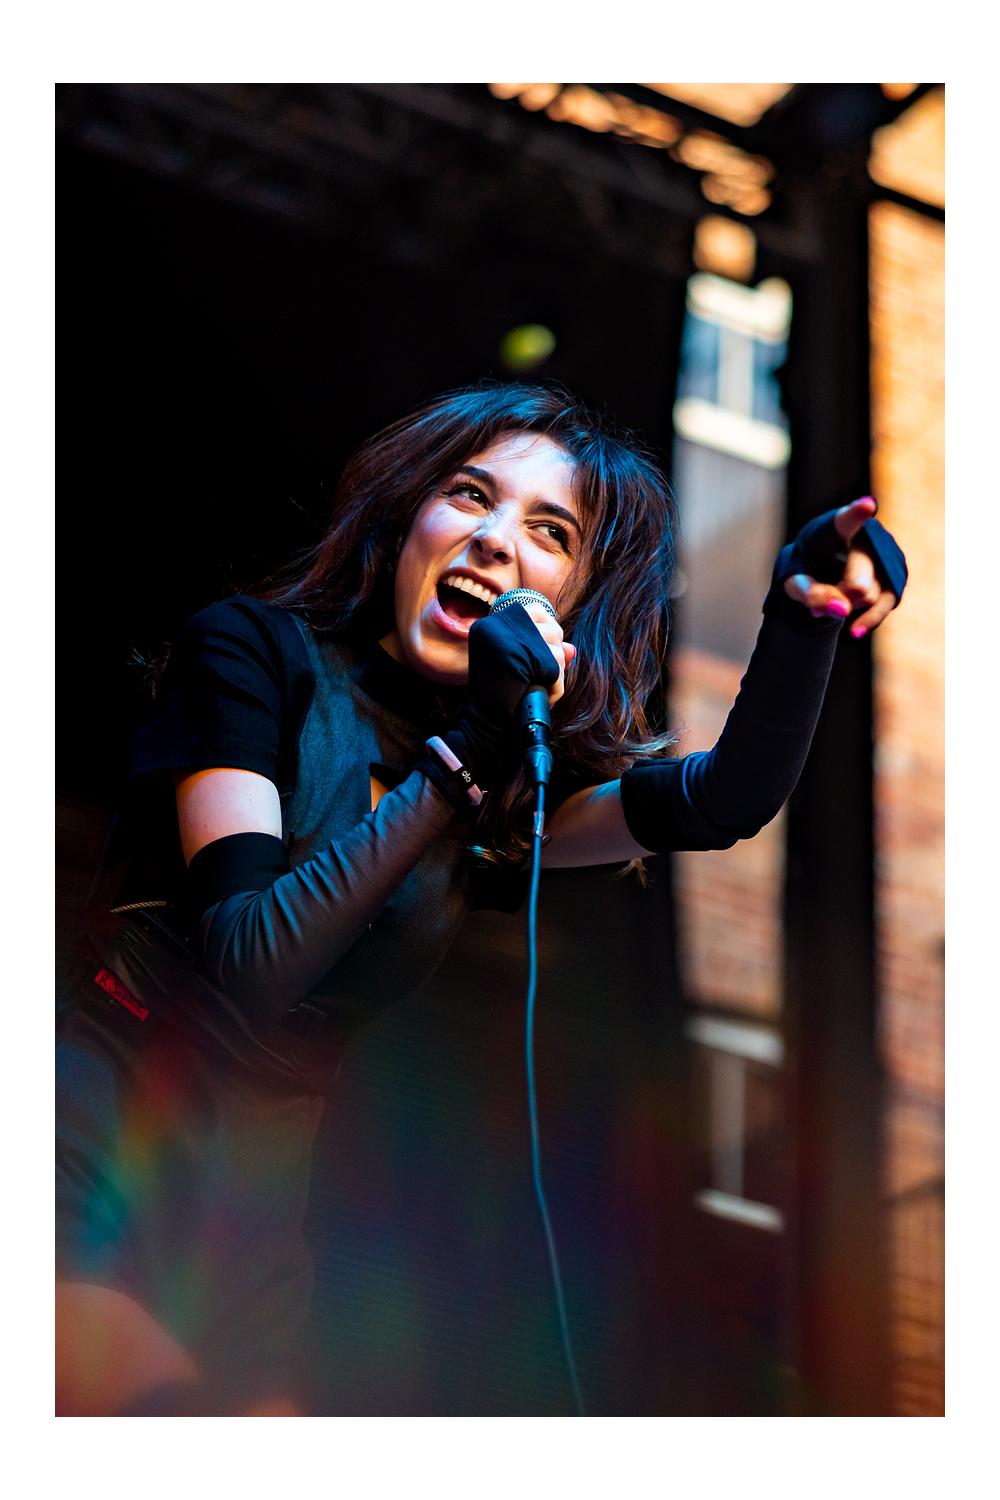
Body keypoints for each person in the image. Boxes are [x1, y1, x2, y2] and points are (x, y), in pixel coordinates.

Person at [55, 382, 906, 1416]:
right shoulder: (253, 655)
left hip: (258, 1203)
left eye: (551, 531)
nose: (496, 539)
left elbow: (723, 800)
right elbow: (249, 961)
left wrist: (800, 619)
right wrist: (468, 755)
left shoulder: (498, 789)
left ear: (573, 605)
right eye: (469, 494)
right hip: (96, 1123)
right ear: (407, 514)